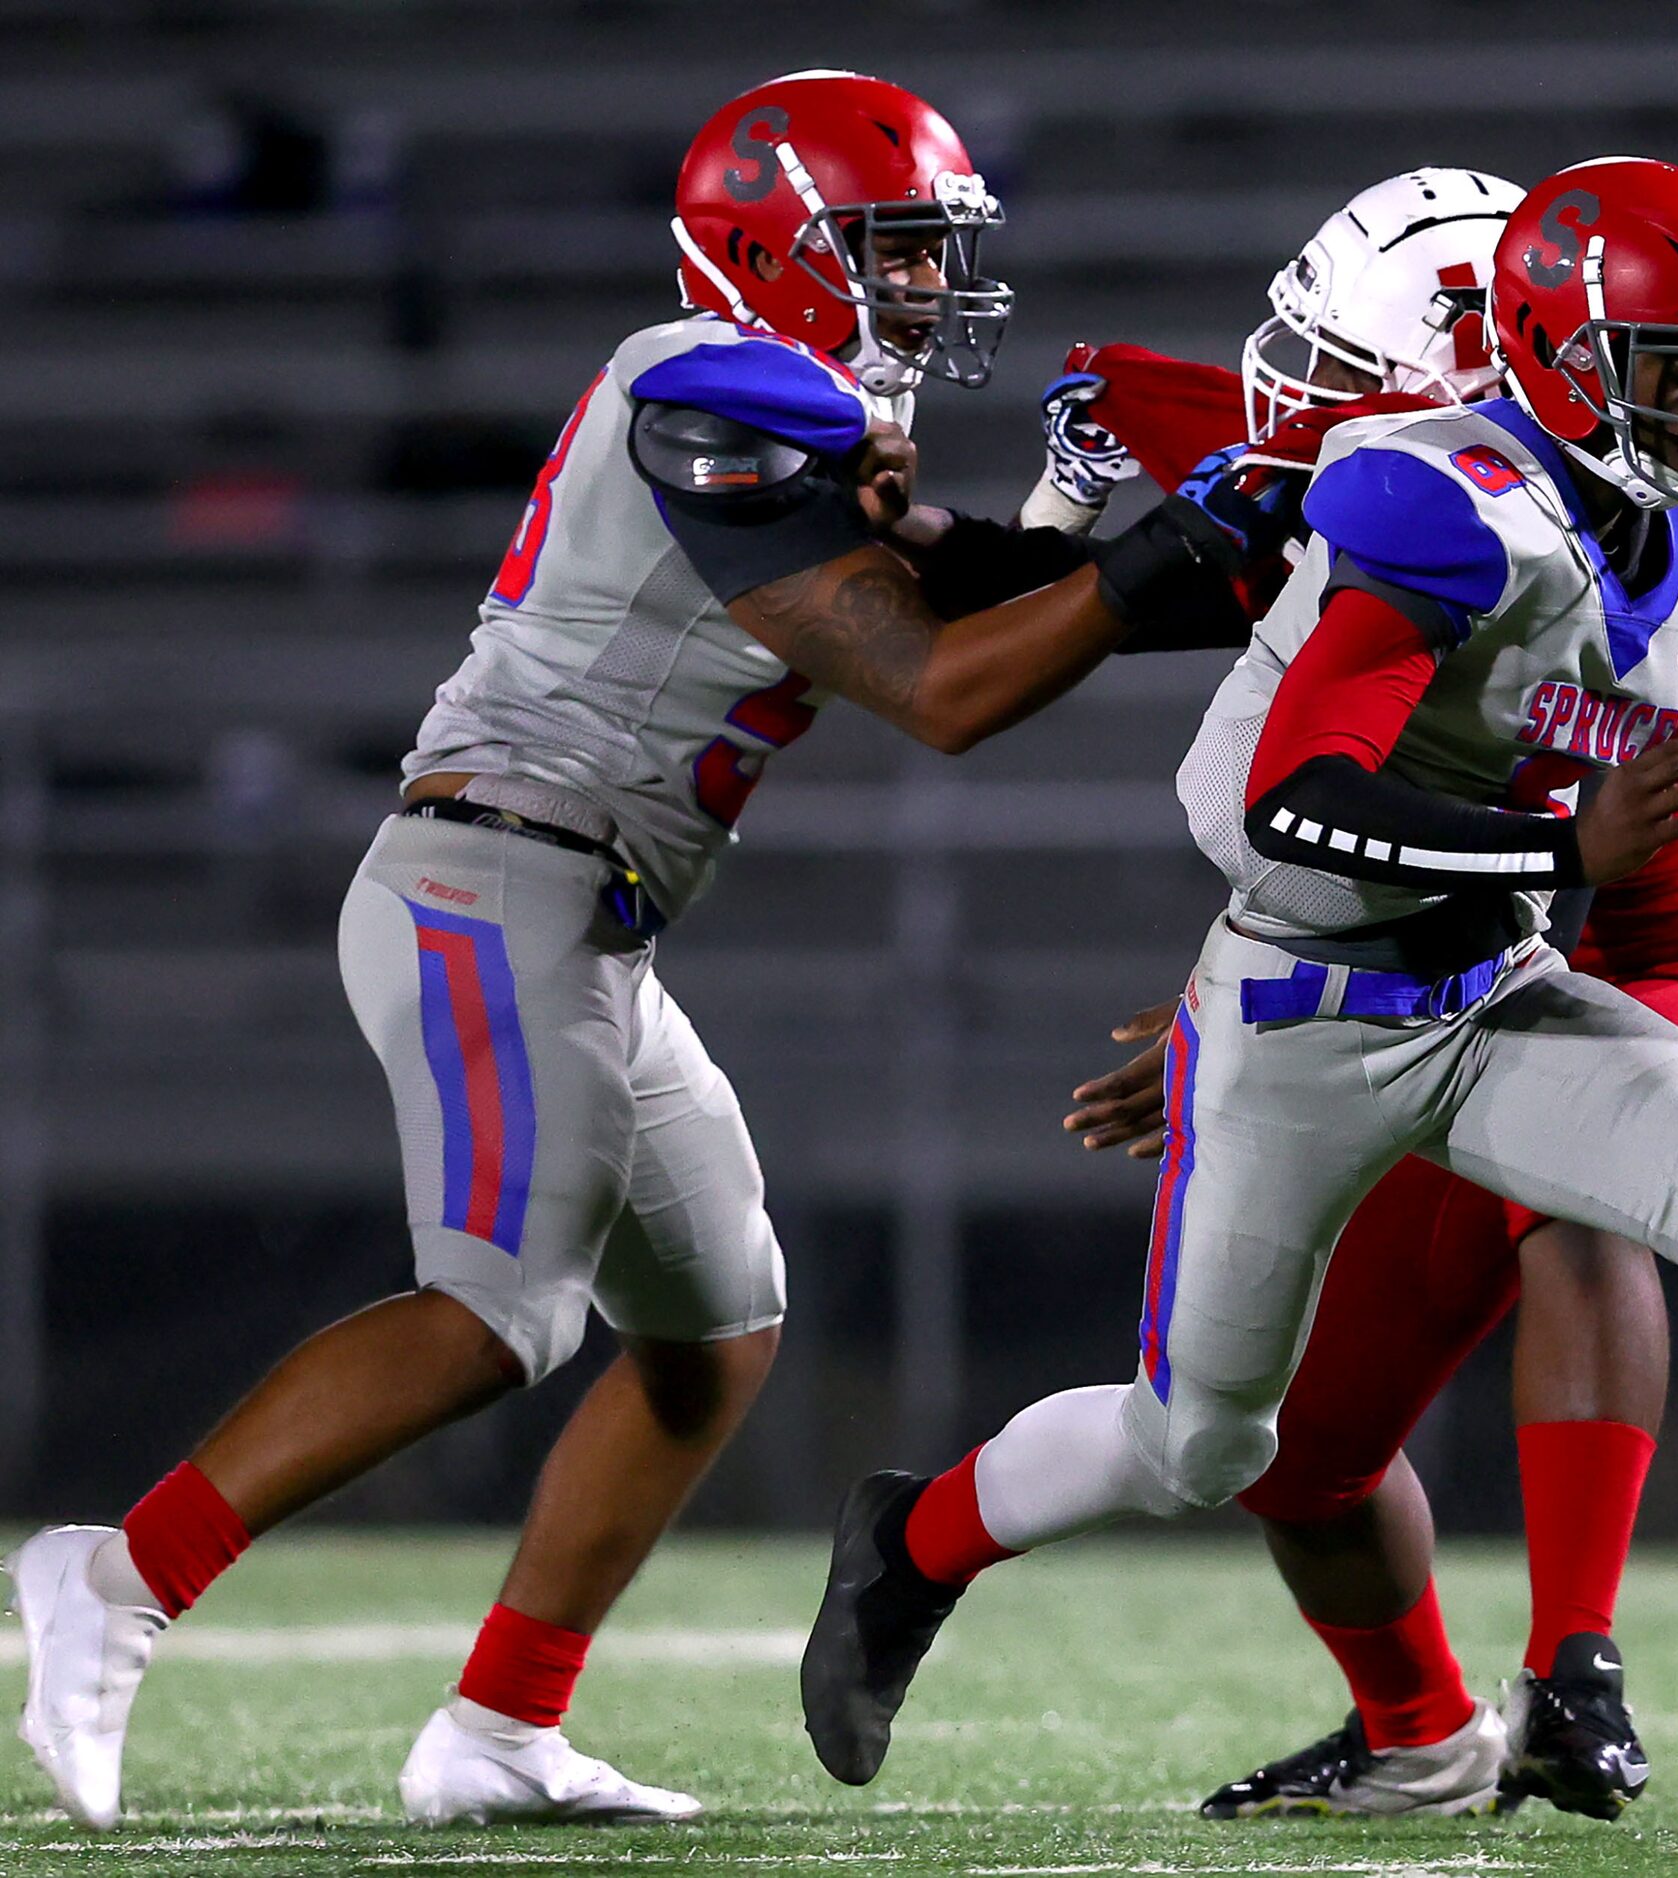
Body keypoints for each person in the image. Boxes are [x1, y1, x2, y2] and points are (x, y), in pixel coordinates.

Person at [5, 68, 1268, 1834]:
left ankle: (502, 1723)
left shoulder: (782, 409)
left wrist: (1227, 541)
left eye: (933, 257)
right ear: (777, 246)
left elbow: (970, 591)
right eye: (893, 253)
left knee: (713, 1322)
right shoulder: (711, 387)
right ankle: (115, 1578)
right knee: (496, 1312)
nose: (924, 290)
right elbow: (941, 689)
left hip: (588, 917)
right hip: (492, 877)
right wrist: (1167, 545)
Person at [799, 156, 1678, 1799]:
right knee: (1207, 1442)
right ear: (1540, 352)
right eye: (1677, 369)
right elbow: (1285, 805)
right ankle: (916, 1537)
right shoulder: (1424, 500)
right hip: (1307, 1009)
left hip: (1494, 986)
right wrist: (1555, 855)